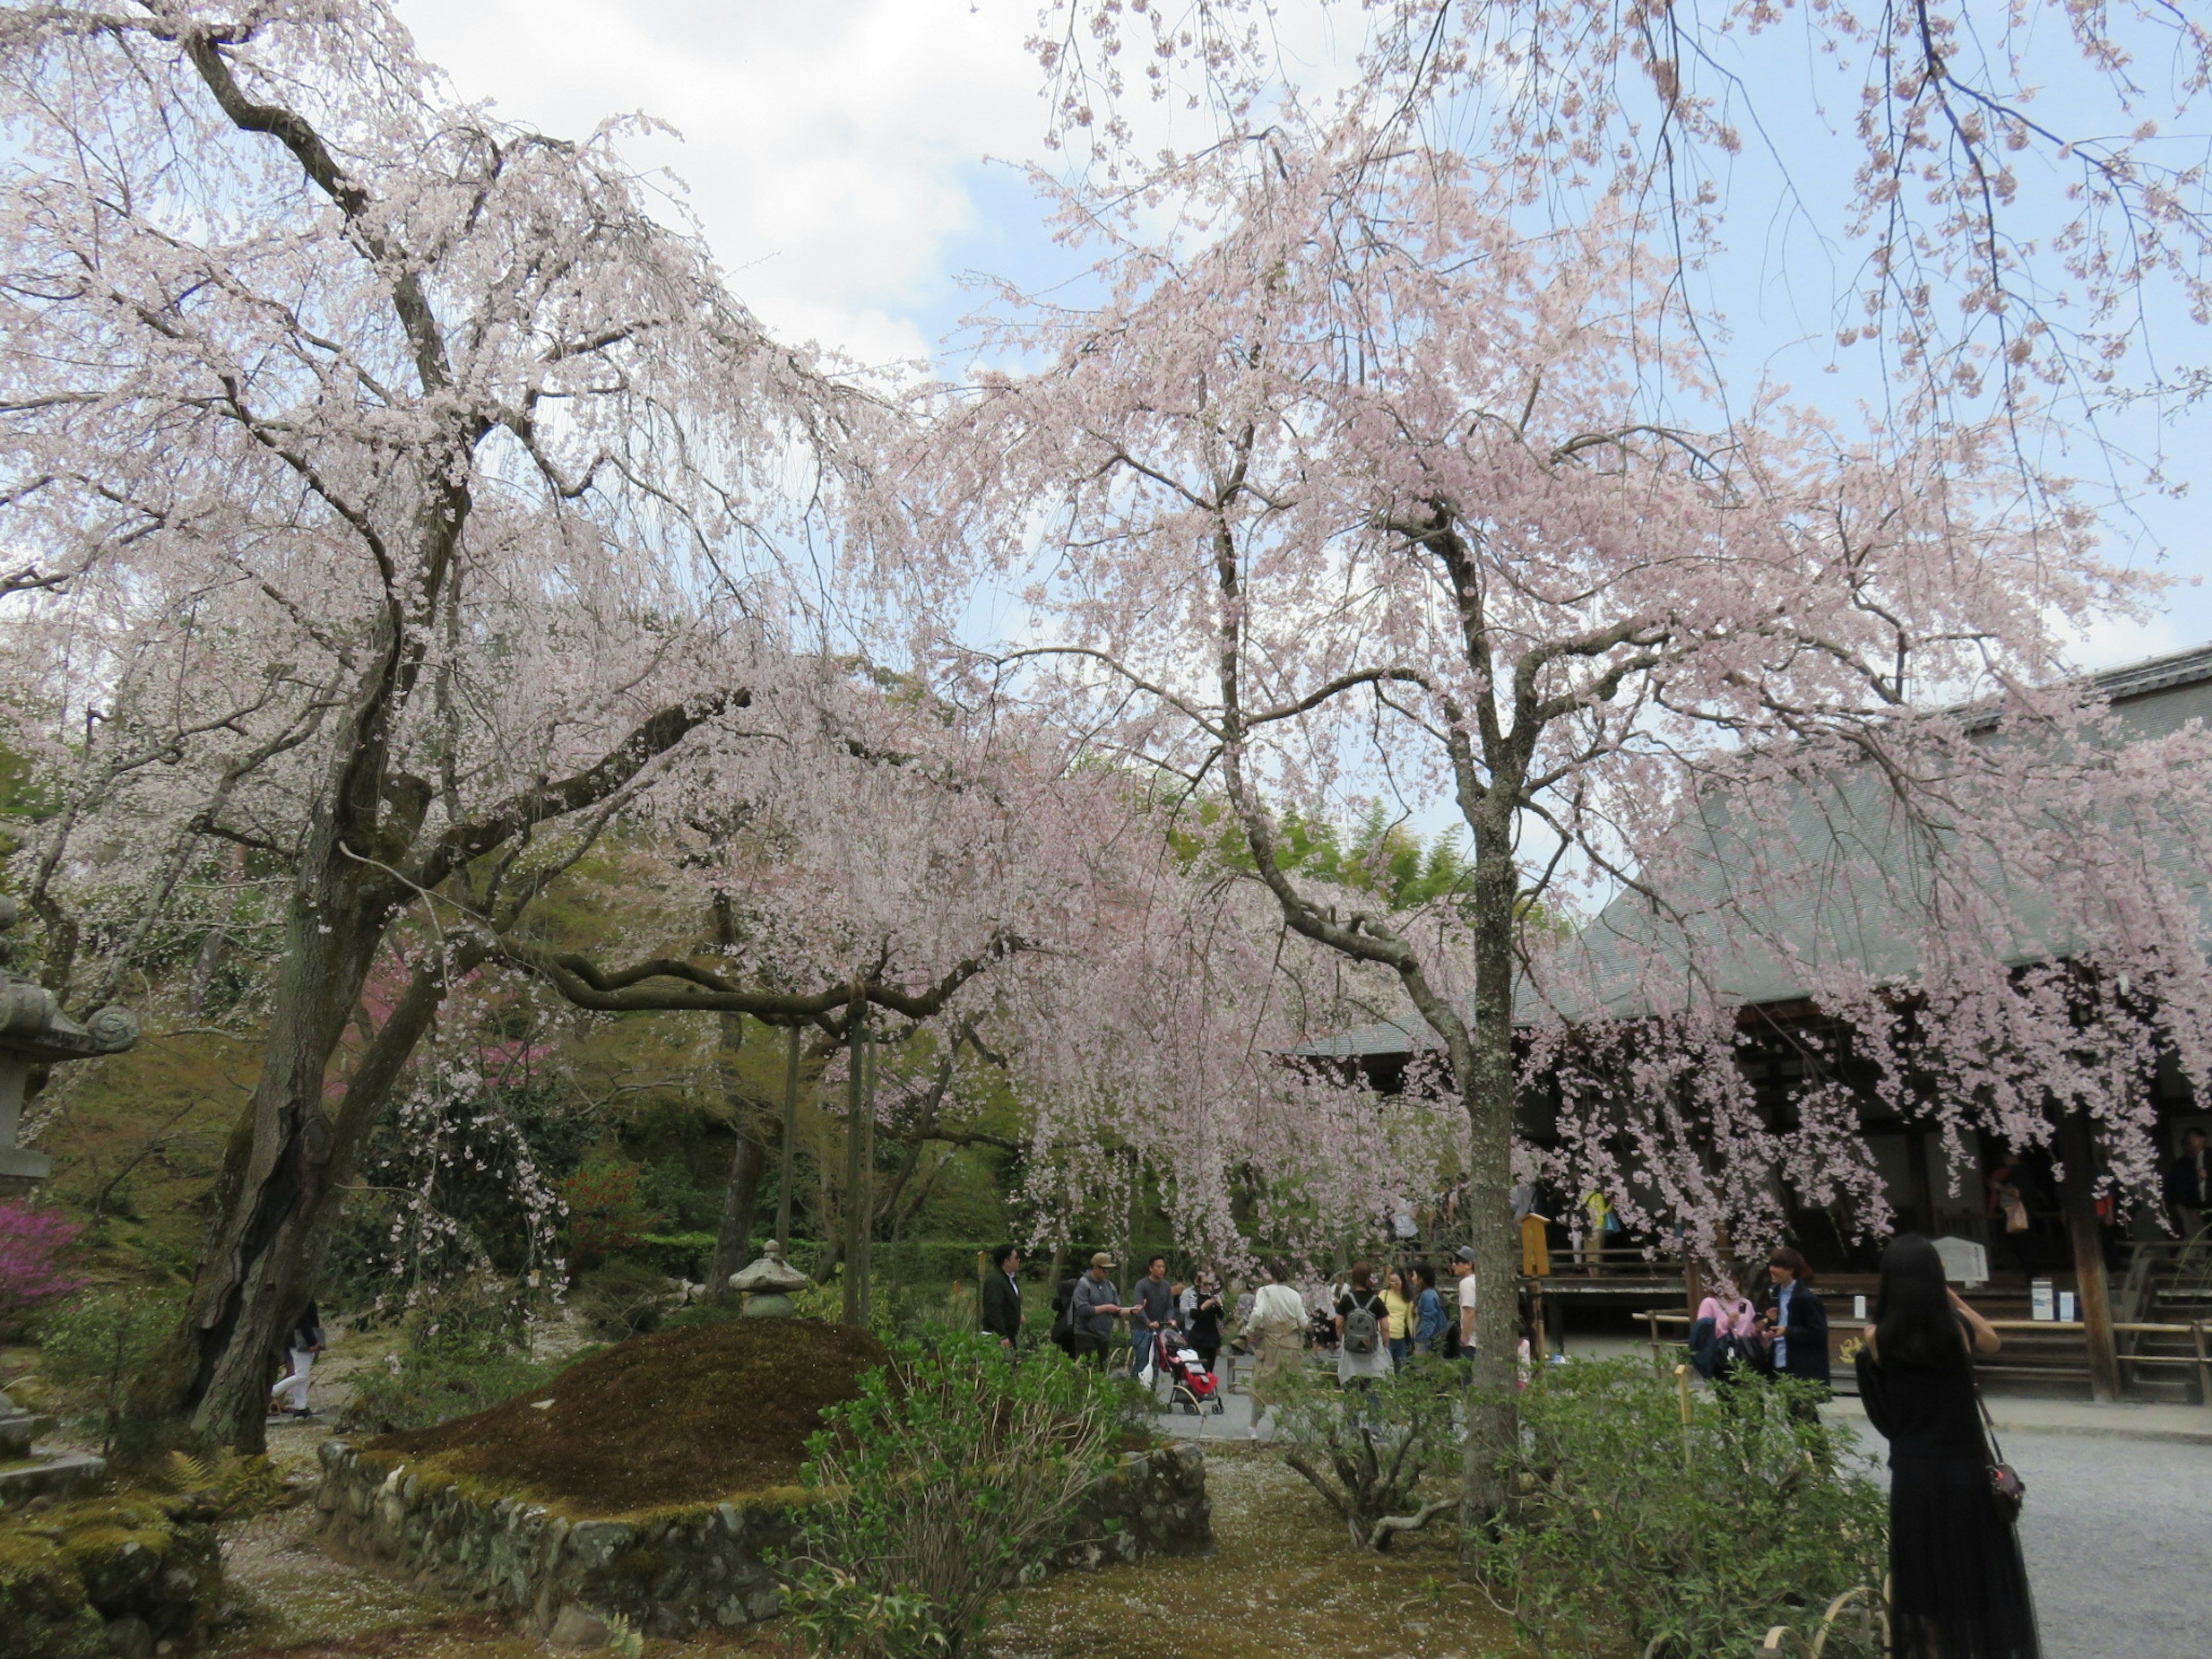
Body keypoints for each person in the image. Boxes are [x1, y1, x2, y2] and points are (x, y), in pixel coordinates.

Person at [1856, 1234, 2040, 1659]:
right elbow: (1993, 1340)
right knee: (1975, 1570)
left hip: (1914, 1475)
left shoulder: (1876, 1338)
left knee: (1924, 1577)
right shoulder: (1956, 1331)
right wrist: (1952, 1297)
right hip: (1964, 1468)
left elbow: (1882, 1408)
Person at [1245, 1261, 1307, 1440]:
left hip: (1270, 1342)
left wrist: (1250, 1330)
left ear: (1270, 1274)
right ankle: (1285, 1428)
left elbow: (1258, 1314)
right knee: (1289, 1385)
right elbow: (1303, 1322)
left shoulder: (1264, 1291)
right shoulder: (1295, 1295)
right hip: (1291, 1343)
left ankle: (1253, 1427)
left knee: (1261, 1382)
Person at [1758, 1245, 1831, 1389]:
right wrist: (1767, 1324)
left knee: (1801, 1410)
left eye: (1777, 1266)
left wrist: (1787, 1331)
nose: (1772, 1269)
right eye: (1771, 1265)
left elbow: (1819, 1333)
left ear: (1791, 1270)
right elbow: (1774, 1324)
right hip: (1778, 1361)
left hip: (1801, 1365)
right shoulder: (1773, 1293)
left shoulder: (1807, 1299)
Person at [1335, 1262, 1392, 1389]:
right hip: (1372, 1349)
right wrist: (1386, 1346)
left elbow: (1338, 1324)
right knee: (1372, 1387)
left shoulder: (1346, 1299)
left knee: (1351, 1384)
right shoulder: (1376, 1301)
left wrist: (1343, 1340)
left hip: (1351, 1350)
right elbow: (1385, 1327)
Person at [1069, 1252, 1128, 1369]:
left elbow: (1116, 1309)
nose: (1107, 1273)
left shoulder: (1110, 1286)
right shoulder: (1084, 1285)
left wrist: (1131, 1311)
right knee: (1088, 1368)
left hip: (1104, 1335)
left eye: (1109, 1270)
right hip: (1086, 1334)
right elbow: (1083, 1310)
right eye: (1105, 1270)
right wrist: (1106, 1308)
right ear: (1096, 1268)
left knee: (1102, 1368)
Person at [267, 1299, 325, 1419]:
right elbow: (303, 1322)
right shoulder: (304, 1299)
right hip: (301, 1339)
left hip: (298, 1338)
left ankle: (301, 1407)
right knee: (301, 1375)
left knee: (303, 1375)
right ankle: (274, 1391)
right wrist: (312, 1341)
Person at [1131, 1255, 1175, 1381]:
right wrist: (1148, 1322)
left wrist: (1170, 1319)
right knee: (1142, 1362)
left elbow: (1170, 1307)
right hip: (1142, 1330)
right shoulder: (1142, 1285)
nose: (1162, 1269)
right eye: (1158, 1267)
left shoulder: (1166, 1286)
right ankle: (1134, 1391)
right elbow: (1139, 1307)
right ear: (1151, 1268)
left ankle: (1151, 1393)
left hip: (1159, 1331)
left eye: (1163, 1267)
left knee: (1155, 1364)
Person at [2167, 1126, 2210, 1245]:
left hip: (2208, 1203)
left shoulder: (2209, 1157)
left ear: (2203, 1139)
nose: (2191, 1140)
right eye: (2189, 1138)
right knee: (2196, 1236)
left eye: (2194, 1137)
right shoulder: (2182, 1164)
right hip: (2189, 1205)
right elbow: (2178, 1187)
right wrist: (2190, 1208)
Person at [1183, 1271, 1226, 1375]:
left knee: (1210, 1368)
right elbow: (1194, 1315)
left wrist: (1219, 1305)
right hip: (1198, 1336)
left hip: (1212, 1336)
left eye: (1211, 1285)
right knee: (1198, 1367)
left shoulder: (1214, 1297)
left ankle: (1208, 1386)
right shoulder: (1195, 1297)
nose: (1207, 1287)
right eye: (1205, 1284)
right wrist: (1205, 1305)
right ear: (1200, 1284)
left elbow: (1221, 1316)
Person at [982, 1244, 1023, 1350]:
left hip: (1010, 1334)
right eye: (1016, 1258)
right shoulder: (996, 1281)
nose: (1019, 1260)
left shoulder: (1011, 1279)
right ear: (1006, 1262)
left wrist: (1018, 1315)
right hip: (997, 1336)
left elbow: (1008, 1303)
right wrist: (1002, 1336)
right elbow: (994, 1308)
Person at [1381, 1265, 1414, 1369]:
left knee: (1401, 1368)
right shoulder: (1384, 1294)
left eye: (1397, 1283)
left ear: (1402, 1281)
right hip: (1386, 1336)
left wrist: (1413, 1337)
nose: (1394, 1285)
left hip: (1401, 1338)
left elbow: (1409, 1319)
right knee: (1386, 1368)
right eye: (1392, 1283)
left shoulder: (1407, 1297)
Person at [1411, 1262, 1448, 1355]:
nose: (1412, 1279)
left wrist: (1424, 1345)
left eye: (1414, 1276)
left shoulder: (1428, 1296)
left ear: (1421, 1279)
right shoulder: (1427, 1294)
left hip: (1427, 1343)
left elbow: (1429, 1322)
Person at [1452, 1244, 1479, 1357]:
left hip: (1472, 1342)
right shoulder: (1478, 1281)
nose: (1454, 1265)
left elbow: (1469, 1312)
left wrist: (1464, 1338)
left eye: (1457, 1262)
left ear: (1469, 1265)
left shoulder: (1467, 1283)